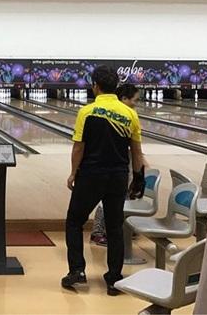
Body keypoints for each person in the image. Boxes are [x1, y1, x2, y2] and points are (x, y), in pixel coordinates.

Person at [62, 66, 145, 296]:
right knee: (115, 227)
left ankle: (77, 270)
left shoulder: (87, 112)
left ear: (95, 86)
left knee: (74, 222)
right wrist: (138, 178)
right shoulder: (129, 113)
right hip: (118, 177)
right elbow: (136, 152)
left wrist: (72, 173)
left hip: (91, 176)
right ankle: (114, 280)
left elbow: (79, 147)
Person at [90, 83, 142, 247]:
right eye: (135, 100)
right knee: (110, 198)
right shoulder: (122, 114)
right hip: (112, 164)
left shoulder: (128, 114)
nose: (136, 103)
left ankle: (122, 229)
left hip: (117, 163)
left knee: (121, 197)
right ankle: (98, 232)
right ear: (124, 98)